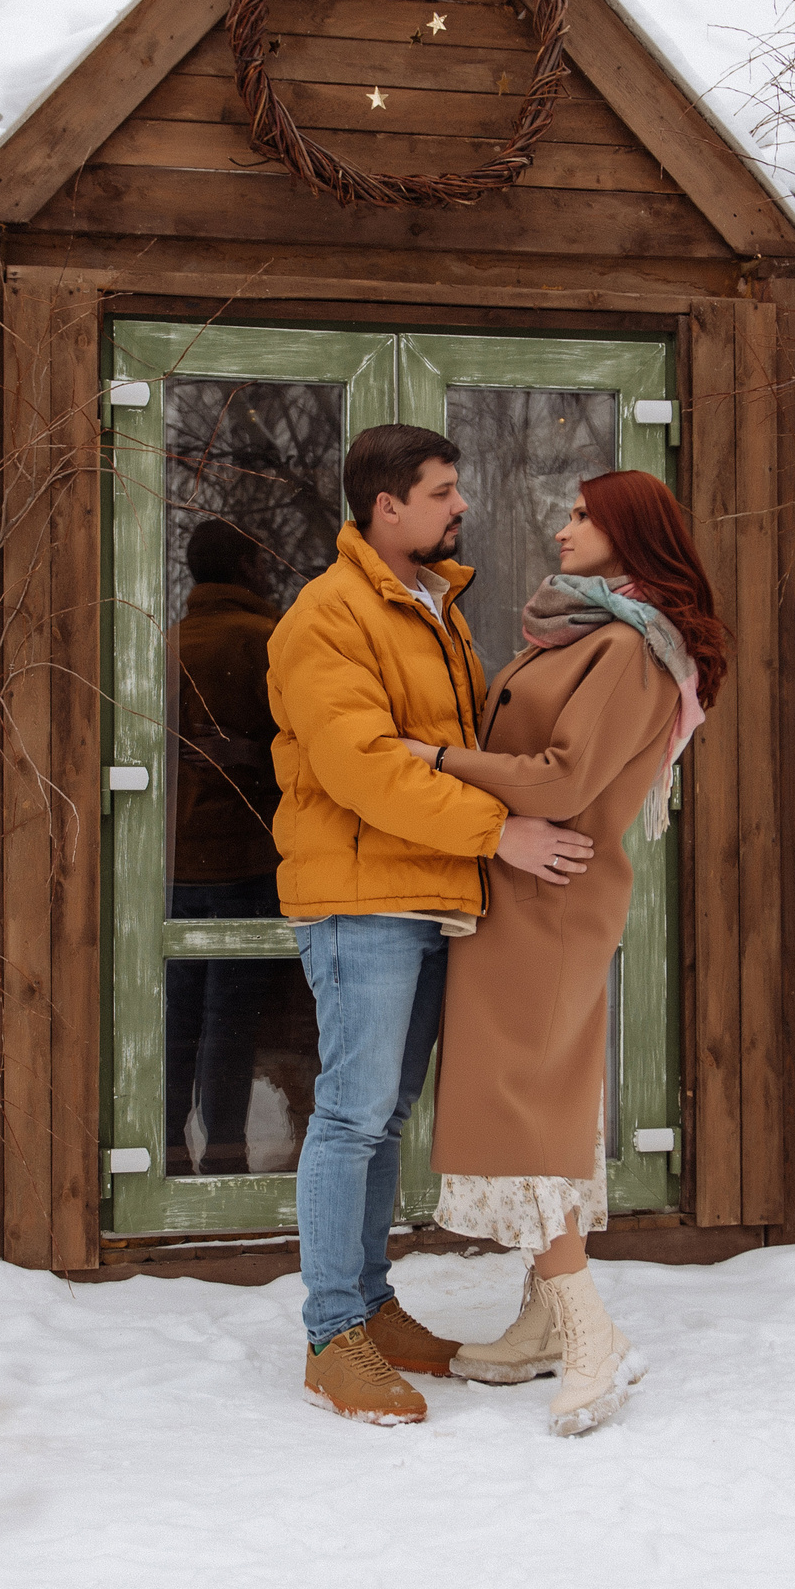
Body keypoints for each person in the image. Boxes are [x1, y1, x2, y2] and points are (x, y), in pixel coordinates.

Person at [266, 422, 598, 1426]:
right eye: (444, 490)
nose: (461, 507)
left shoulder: (427, 606)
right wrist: (501, 832)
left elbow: (450, 747)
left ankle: (372, 1304)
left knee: (383, 1116)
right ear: (387, 506)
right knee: (351, 1114)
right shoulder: (326, 619)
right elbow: (368, 767)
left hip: (423, 896)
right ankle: (333, 1335)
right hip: (360, 900)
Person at [402, 470, 725, 1437]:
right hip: (526, 894)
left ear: (630, 534)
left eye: (583, 515)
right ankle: (544, 1318)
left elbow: (564, 776)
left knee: (523, 1101)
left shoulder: (630, 647)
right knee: (540, 1100)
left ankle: (591, 1333)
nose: (562, 525)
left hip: (551, 898)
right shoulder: (584, 631)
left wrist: (440, 761)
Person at [165, 518, 286, 1175]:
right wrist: (251, 757)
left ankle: (165, 1155)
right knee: (229, 1023)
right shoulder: (270, 644)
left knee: (176, 1022)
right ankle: (225, 1158)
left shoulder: (165, 645)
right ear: (247, 568)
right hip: (245, 861)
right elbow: (305, 753)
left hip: (175, 863)